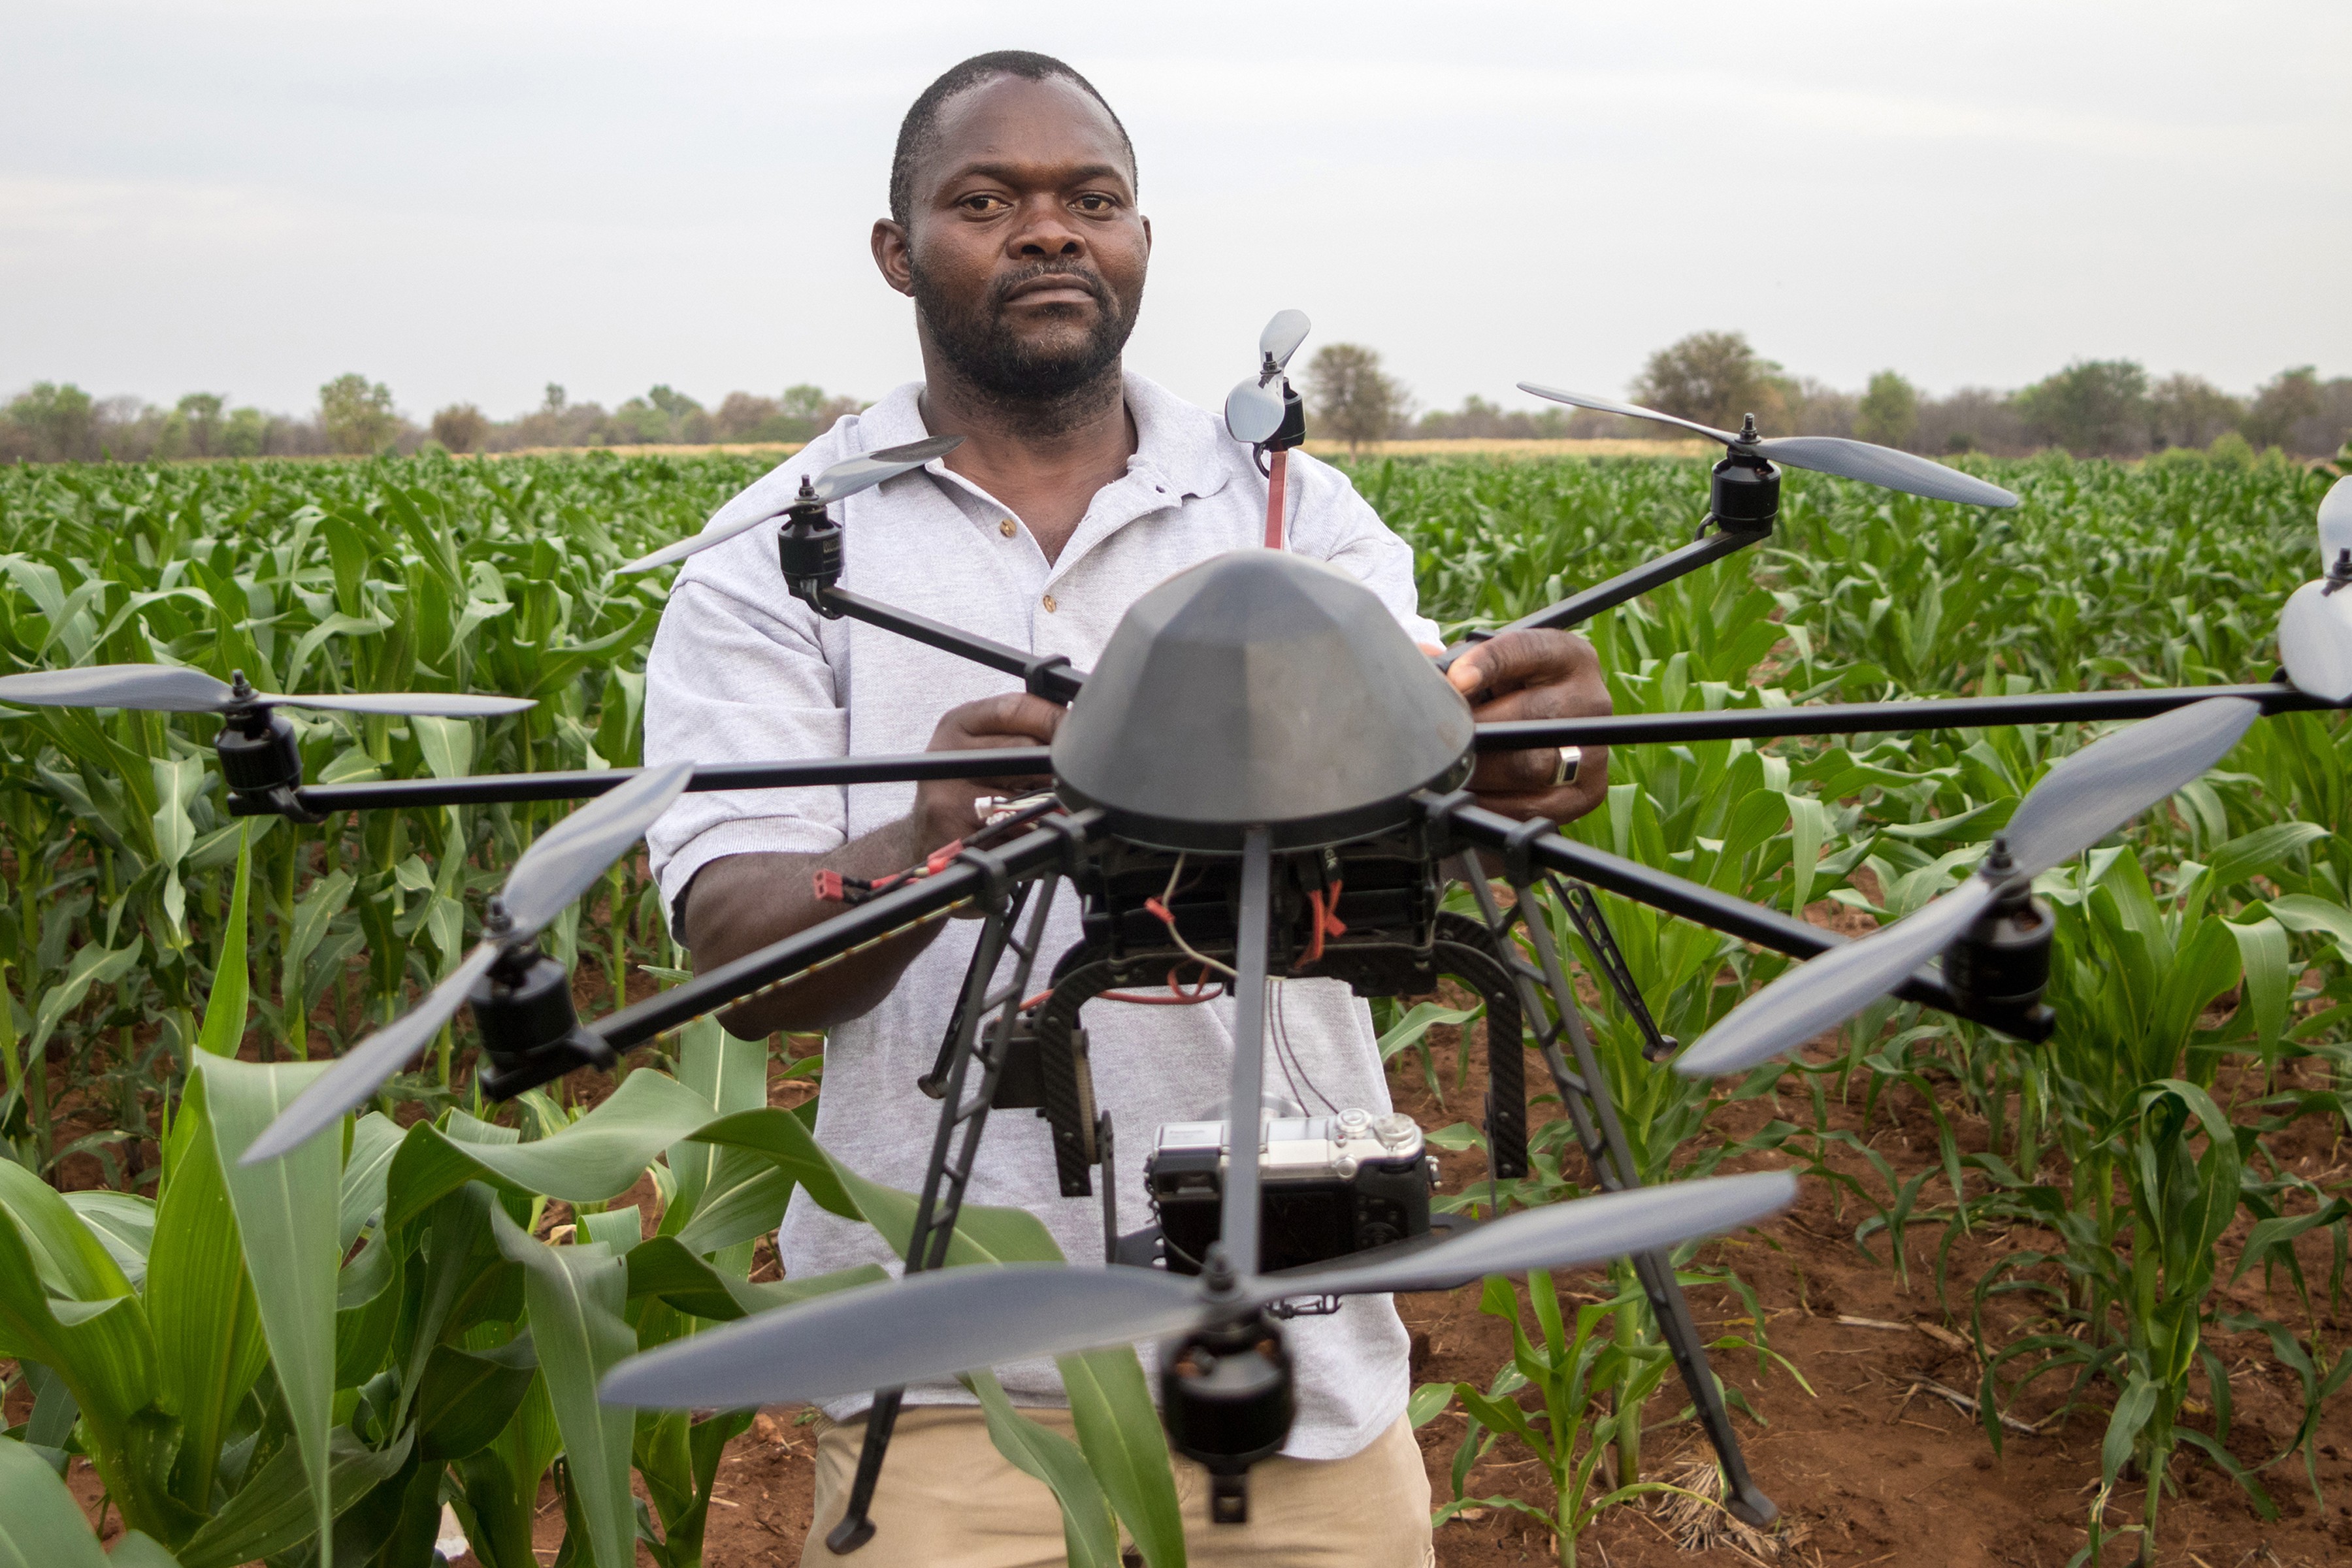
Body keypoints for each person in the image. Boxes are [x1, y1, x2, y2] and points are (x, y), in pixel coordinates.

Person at [642, 49, 1610, 1568]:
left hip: (1303, 1375)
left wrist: (1525, 766)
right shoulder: (773, 556)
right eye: (987, 201)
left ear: (1142, 243)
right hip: (952, 1394)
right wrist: (922, 846)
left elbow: (1442, 790)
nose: (1050, 232)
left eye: (1093, 199)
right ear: (898, 251)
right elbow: (734, 958)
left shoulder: (1292, 512)